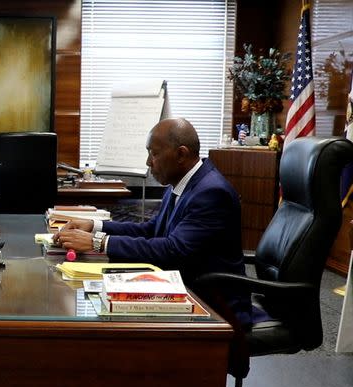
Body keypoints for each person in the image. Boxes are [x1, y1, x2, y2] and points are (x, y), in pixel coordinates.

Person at [54, 118, 255, 326]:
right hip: (182, 289)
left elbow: (173, 250)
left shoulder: (211, 193)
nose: (148, 162)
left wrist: (98, 242)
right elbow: (152, 230)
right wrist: (96, 226)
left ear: (181, 154)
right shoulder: (181, 183)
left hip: (213, 305)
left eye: (154, 153)